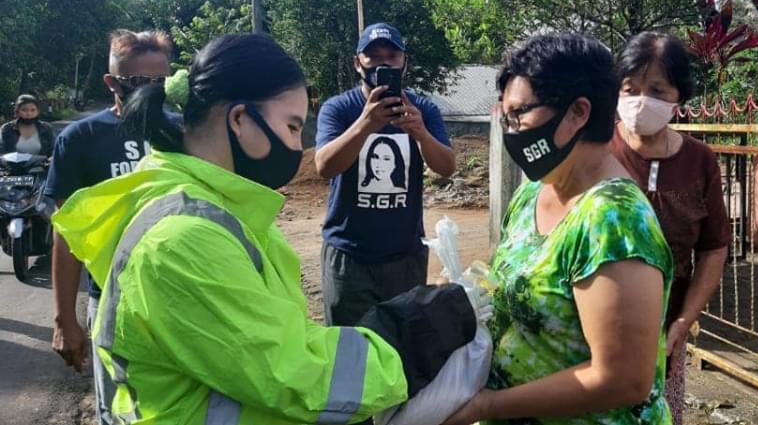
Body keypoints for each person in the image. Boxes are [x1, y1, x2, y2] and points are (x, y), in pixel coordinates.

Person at [51, 33, 477, 424]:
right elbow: (299, 379)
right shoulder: (183, 241)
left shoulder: (225, 211)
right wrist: (413, 336)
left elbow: (277, 338)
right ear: (240, 118)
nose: (295, 146)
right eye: (292, 126)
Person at [443, 32, 674, 425]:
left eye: (519, 114)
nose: (511, 129)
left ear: (578, 113)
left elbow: (623, 379)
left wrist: (488, 406)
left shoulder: (614, 221)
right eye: (505, 117)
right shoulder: (533, 192)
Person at [48, 29, 171, 425]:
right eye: (138, 81)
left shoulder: (186, 132)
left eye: (160, 81)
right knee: (120, 411)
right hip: (114, 302)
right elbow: (68, 233)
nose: (151, 90)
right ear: (112, 82)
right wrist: (65, 318)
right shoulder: (81, 139)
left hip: (181, 294)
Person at [608, 32, 731, 425]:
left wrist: (682, 322)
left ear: (679, 96)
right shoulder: (596, 151)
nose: (641, 101)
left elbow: (713, 248)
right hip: (595, 331)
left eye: (656, 90)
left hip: (665, 340)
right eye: (630, 89)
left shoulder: (700, 162)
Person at [314, 22, 455, 326]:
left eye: (392, 56)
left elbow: (446, 167)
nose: (383, 64)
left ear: (404, 63)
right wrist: (366, 124)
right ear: (357, 63)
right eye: (374, 57)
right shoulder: (338, 108)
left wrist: (422, 134)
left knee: (401, 346)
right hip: (348, 257)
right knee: (347, 346)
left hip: (405, 257)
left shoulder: (423, 109)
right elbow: (324, 166)